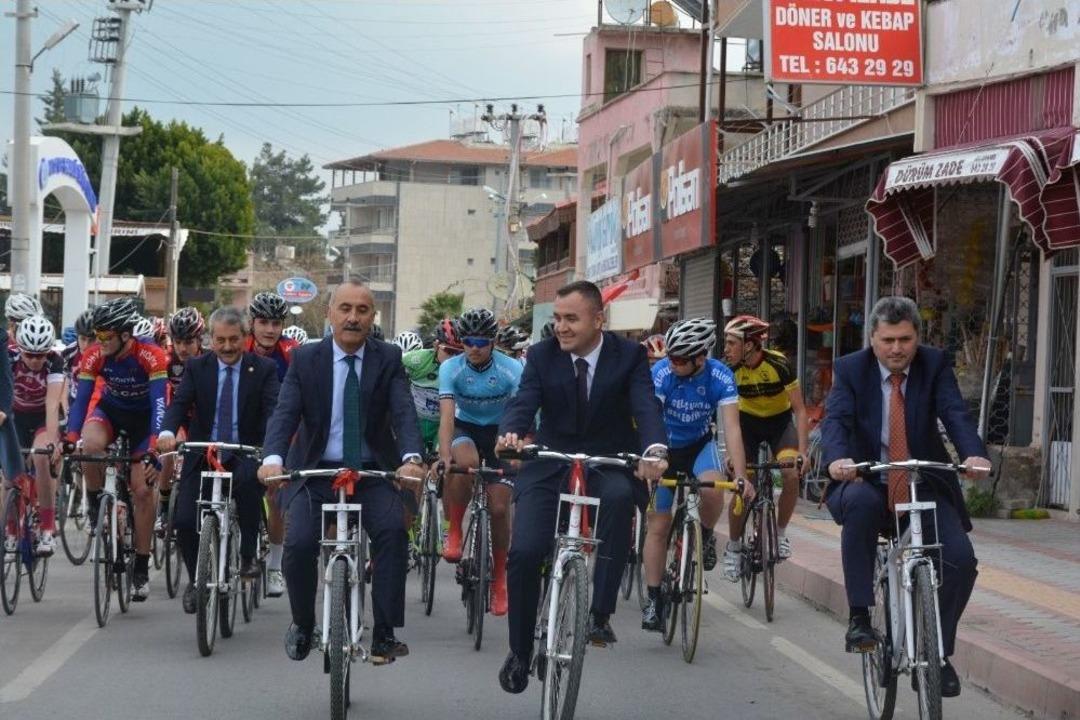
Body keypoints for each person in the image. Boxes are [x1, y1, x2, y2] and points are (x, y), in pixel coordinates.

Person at [495, 280, 668, 695]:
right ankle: (519, 650)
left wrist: (654, 450)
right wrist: (512, 433)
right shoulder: (541, 355)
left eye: (571, 319)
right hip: (551, 460)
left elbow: (645, 405)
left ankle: (599, 615)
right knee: (525, 551)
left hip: (608, 459)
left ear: (598, 320)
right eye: (557, 318)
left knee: (620, 498)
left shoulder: (629, 356)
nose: (561, 327)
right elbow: (524, 401)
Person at [821, 296, 991, 699]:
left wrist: (973, 454)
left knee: (961, 560)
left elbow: (955, 413)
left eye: (905, 339)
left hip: (922, 481)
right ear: (873, 339)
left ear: (918, 337)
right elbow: (836, 420)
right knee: (860, 505)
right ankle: (860, 618)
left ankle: (936, 654)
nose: (896, 349)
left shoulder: (934, 364)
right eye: (888, 340)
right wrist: (838, 460)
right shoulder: (850, 369)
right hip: (867, 478)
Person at [258, 280, 425, 664]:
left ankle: (384, 632)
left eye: (362, 310)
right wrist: (273, 458)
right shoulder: (306, 359)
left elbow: (404, 411)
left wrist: (412, 457)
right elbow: (285, 413)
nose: (353, 318)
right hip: (315, 471)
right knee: (299, 543)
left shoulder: (388, 358)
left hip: (371, 471)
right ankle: (303, 623)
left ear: (372, 317)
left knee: (393, 532)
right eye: (345, 309)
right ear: (329, 313)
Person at [157, 307, 281, 614]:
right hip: (203, 451)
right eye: (220, 340)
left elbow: (273, 412)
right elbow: (180, 404)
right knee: (185, 520)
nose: (227, 347)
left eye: (234, 339)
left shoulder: (263, 369)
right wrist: (168, 431)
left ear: (245, 337)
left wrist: (270, 449)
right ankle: (196, 579)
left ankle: (248, 554)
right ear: (210, 339)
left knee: (249, 485)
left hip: (244, 450)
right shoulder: (197, 367)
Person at [640, 318, 751, 631]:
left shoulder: (720, 375)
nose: (671, 363)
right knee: (658, 524)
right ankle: (653, 599)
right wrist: (651, 459)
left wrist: (741, 475)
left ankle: (705, 535)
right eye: (670, 357)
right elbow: (651, 418)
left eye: (679, 359)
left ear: (700, 358)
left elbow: (732, 428)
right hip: (665, 447)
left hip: (700, 445)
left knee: (714, 489)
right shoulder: (662, 373)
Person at [65, 297, 169, 601]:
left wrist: (154, 447)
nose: (99, 341)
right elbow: (82, 401)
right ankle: (96, 502)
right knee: (89, 445)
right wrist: (70, 438)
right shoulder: (95, 355)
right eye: (96, 335)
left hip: (144, 422)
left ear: (125, 335)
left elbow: (159, 404)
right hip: (110, 413)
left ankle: (141, 566)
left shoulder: (151, 355)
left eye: (105, 335)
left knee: (142, 491)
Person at [438, 307, 523, 617]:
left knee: (499, 508)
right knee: (465, 463)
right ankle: (455, 530)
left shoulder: (511, 369)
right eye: (468, 341)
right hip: (466, 428)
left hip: (502, 432)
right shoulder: (451, 368)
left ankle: (500, 580)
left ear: (493, 342)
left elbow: (523, 413)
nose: (473, 348)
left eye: (481, 342)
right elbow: (447, 417)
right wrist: (444, 455)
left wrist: (521, 447)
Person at [721, 314, 809, 580]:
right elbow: (727, 417)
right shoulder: (729, 370)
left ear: (749, 345)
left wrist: (803, 453)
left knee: (791, 474)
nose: (726, 349)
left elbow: (800, 411)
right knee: (743, 483)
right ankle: (734, 549)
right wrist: (729, 453)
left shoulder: (779, 364)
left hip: (779, 424)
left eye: (731, 343)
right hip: (746, 425)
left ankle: (780, 534)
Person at [246, 291, 299, 598]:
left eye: (276, 323)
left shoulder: (291, 352)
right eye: (263, 322)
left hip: (280, 430)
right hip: (246, 426)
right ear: (252, 323)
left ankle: (276, 566)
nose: (269, 329)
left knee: (275, 494)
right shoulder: (240, 347)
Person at [10, 315, 65, 556]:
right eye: (29, 355)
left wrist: (52, 443)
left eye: (40, 355)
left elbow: (52, 405)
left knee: (42, 457)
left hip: (43, 417)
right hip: (15, 417)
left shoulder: (55, 362)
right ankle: (11, 531)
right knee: (8, 476)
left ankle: (47, 529)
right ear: (19, 349)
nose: (35, 360)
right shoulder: (9, 358)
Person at [402, 318, 462, 453]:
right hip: (415, 421)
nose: (453, 358)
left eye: (459, 352)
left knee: (441, 458)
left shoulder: (464, 367)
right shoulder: (416, 360)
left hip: (442, 425)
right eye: (449, 351)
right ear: (436, 346)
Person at [61, 308, 96, 415]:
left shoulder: (104, 353)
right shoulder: (69, 352)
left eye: (91, 340)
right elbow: (65, 384)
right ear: (77, 336)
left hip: (96, 402)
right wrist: (66, 410)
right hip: (75, 400)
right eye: (83, 339)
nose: (86, 345)